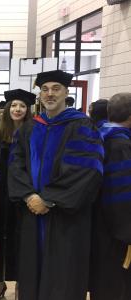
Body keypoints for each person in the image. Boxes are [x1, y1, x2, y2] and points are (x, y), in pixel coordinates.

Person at [8, 70, 103, 300]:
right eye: (45, 89)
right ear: (40, 94)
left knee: (63, 276)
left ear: (66, 92)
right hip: (33, 213)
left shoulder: (82, 126)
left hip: (66, 218)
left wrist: (48, 199)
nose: (50, 94)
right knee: (32, 274)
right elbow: (15, 165)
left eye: (56, 89)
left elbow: (87, 171)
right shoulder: (29, 128)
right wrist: (29, 196)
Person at [0, 89, 35, 300]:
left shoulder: (35, 133)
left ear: (28, 110)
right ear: (8, 109)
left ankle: (21, 288)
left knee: (23, 242)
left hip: (24, 195)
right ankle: (0, 284)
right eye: (14, 105)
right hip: (1, 195)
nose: (17, 109)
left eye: (22, 106)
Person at [90, 93, 131, 300]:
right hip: (116, 232)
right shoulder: (120, 145)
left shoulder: (100, 135)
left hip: (98, 224)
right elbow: (121, 196)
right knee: (115, 286)